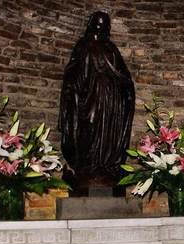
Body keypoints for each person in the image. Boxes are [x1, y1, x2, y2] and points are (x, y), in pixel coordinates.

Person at [58, 11, 135, 196]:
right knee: (88, 130)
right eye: (97, 24)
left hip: (110, 100)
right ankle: (87, 167)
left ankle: (106, 167)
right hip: (88, 98)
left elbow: (123, 74)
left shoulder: (111, 48)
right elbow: (72, 72)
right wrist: (71, 91)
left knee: (109, 133)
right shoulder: (83, 46)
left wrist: (127, 90)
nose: (100, 28)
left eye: (104, 25)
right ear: (92, 24)